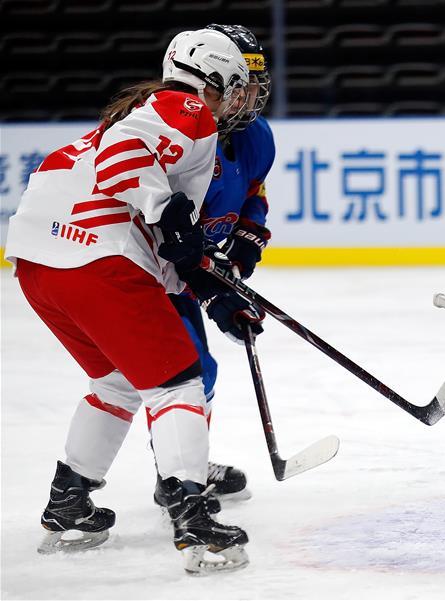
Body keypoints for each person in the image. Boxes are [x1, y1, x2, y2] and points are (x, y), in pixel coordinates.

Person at [4, 29, 264, 574]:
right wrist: (168, 211)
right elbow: (122, 162)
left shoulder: (145, 112)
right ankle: (193, 519)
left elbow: (166, 248)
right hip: (98, 260)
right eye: (236, 86)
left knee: (118, 382)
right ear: (212, 79)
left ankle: (69, 503)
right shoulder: (187, 107)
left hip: (39, 264)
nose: (241, 99)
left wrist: (212, 290)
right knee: (178, 384)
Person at [151, 23, 275, 510]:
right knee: (185, 371)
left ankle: (184, 467)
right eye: (241, 86)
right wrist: (214, 288)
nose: (249, 98)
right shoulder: (178, 138)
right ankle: (176, 477)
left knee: (198, 370)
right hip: (152, 270)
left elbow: (254, 194)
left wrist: (246, 241)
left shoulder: (256, 137)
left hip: (188, 270)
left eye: (255, 86)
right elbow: (167, 232)